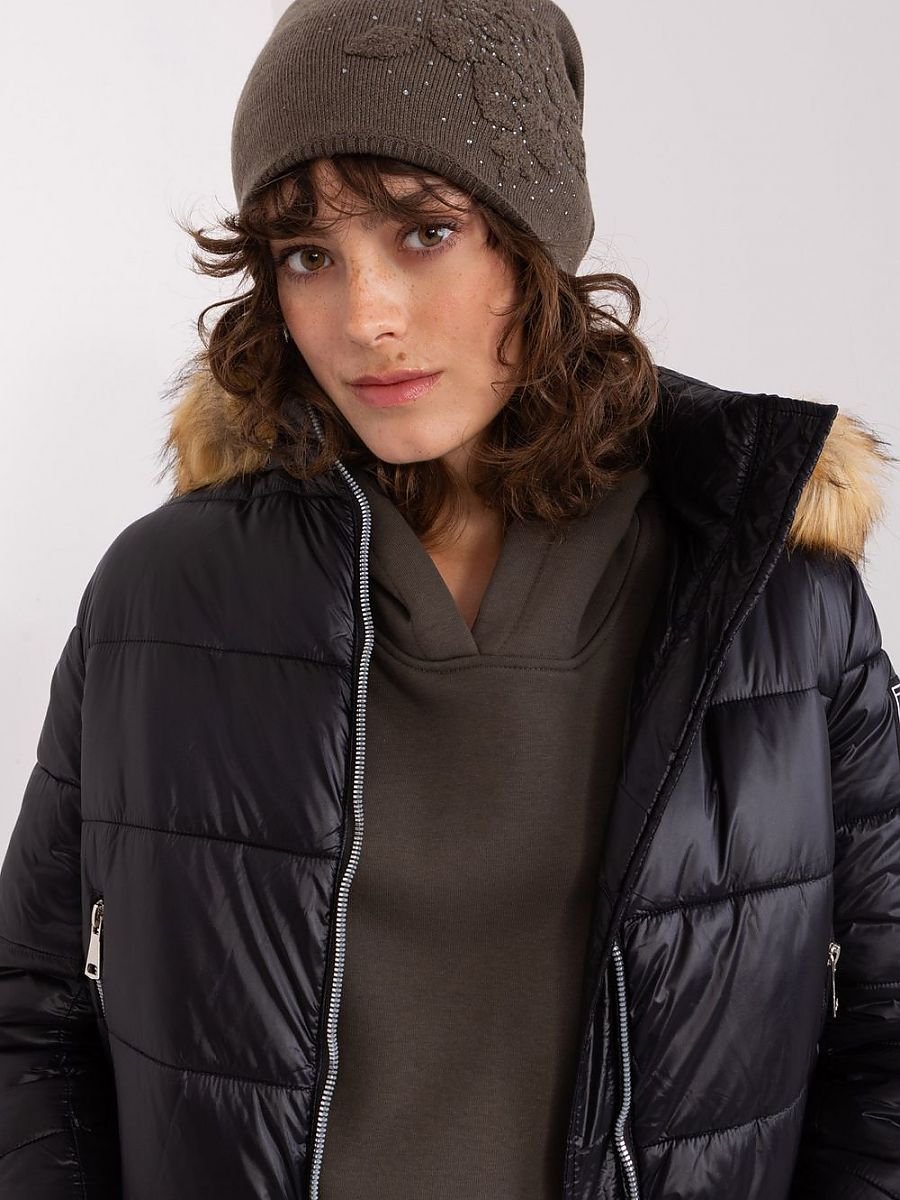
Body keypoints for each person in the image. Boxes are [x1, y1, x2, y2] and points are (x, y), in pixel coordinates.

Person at [0, 0, 898, 1196]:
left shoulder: (774, 604)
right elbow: (31, 1015)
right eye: (308, 254)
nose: (365, 317)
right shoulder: (161, 598)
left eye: (425, 232)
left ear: (534, 245)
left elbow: (885, 1042)